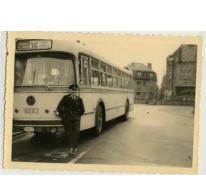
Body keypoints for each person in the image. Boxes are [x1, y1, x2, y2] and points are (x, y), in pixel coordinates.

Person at [57, 83, 85, 155]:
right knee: (69, 133)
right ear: (70, 90)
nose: (74, 91)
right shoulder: (65, 98)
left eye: (75, 90)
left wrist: (78, 116)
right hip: (67, 118)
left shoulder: (79, 99)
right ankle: (73, 148)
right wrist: (63, 115)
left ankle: (72, 147)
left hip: (76, 118)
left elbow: (82, 110)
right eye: (73, 90)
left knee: (76, 131)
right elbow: (59, 107)